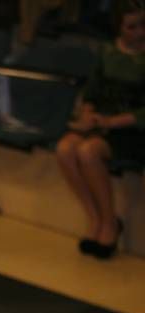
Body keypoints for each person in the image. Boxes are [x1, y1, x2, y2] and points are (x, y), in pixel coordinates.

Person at [56, 0, 145, 259]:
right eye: (132, 26)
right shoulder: (108, 52)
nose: (139, 32)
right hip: (102, 122)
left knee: (88, 151)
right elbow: (92, 91)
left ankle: (109, 223)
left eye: (143, 25)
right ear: (119, 28)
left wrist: (109, 122)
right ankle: (95, 218)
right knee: (64, 149)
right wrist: (88, 114)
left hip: (131, 130)